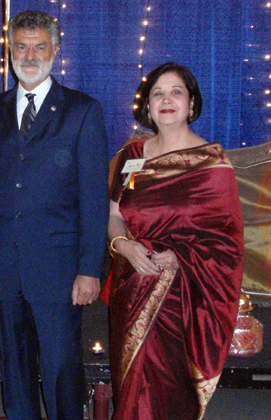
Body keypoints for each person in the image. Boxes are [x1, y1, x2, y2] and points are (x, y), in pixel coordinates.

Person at [0, 10, 109, 420]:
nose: (29, 55)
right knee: (16, 373)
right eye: (21, 46)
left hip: (60, 272)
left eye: (39, 46)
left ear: (55, 51)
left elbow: (94, 200)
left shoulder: (83, 111)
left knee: (62, 372)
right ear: (10, 51)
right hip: (2, 269)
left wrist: (90, 268)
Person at [105, 62, 244, 420]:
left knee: (168, 391)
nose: (166, 100)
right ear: (147, 106)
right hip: (131, 287)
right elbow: (113, 213)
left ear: (192, 104)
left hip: (181, 300)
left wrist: (180, 257)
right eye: (158, 93)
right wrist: (123, 245)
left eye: (176, 92)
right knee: (130, 385)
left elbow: (226, 242)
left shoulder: (211, 164)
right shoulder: (130, 157)